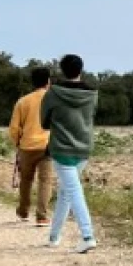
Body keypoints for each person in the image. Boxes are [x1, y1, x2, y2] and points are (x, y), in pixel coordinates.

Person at [40, 53, 99, 253]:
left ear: (62, 70)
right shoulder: (92, 93)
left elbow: (44, 122)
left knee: (73, 191)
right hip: (84, 148)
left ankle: (87, 235)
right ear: (80, 70)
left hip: (62, 148)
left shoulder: (54, 93)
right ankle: (54, 236)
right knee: (66, 192)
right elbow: (91, 116)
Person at [7, 64, 54, 225]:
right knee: (45, 181)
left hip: (27, 146)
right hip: (48, 146)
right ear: (48, 81)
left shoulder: (23, 101)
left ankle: (23, 211)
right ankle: (42, 216)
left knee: (26, 180)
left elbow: (14, 128)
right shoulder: (53, 100)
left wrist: (17, 143)